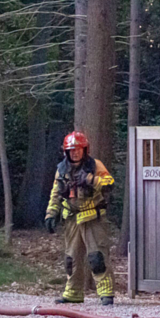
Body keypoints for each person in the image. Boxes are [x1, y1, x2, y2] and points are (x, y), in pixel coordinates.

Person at [44, 131, 116, 305]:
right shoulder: (61, 169)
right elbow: (56, 193)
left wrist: (91, 180)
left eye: (78, 149)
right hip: (72, 219)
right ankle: (73, 293)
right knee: (72, 258)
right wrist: (50, 214)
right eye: (71, 150)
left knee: (97, 256)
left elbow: (109, 183)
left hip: (93, 217)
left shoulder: (95, 165)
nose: (75, 153)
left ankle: (106, 293)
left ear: (85, 150)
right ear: (66, 152)